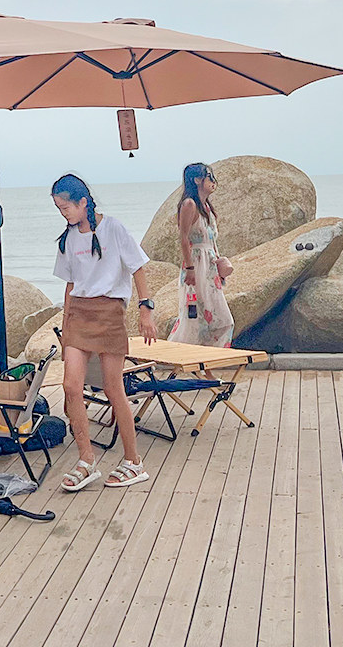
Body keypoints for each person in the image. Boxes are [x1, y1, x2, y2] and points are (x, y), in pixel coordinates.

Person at [51, 174, 157, 491]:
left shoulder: (114, 228)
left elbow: (137, 267)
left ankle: (133, 461)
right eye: (59, 209)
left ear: (83, 202)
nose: (63, 214)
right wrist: (66, 323)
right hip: (79, 314)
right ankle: (86, 459)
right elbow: (70, 284)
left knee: (113, 388)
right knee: (71, 387)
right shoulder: (67, 240)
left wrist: (146, 309)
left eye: (66, 207)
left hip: (109, 312)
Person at [168, 163, 234, 358]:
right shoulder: (189, 204)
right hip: (196, 264)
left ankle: (205, 360)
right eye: (209, 177)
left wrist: (219, 266)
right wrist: (189, 268)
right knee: (194, 319)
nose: (213, 181)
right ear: (197, 180)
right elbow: (183, 238)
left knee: (221, 320)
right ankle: (181, 357)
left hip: (209, 265)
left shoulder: (206, 207)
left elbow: (211, 240)